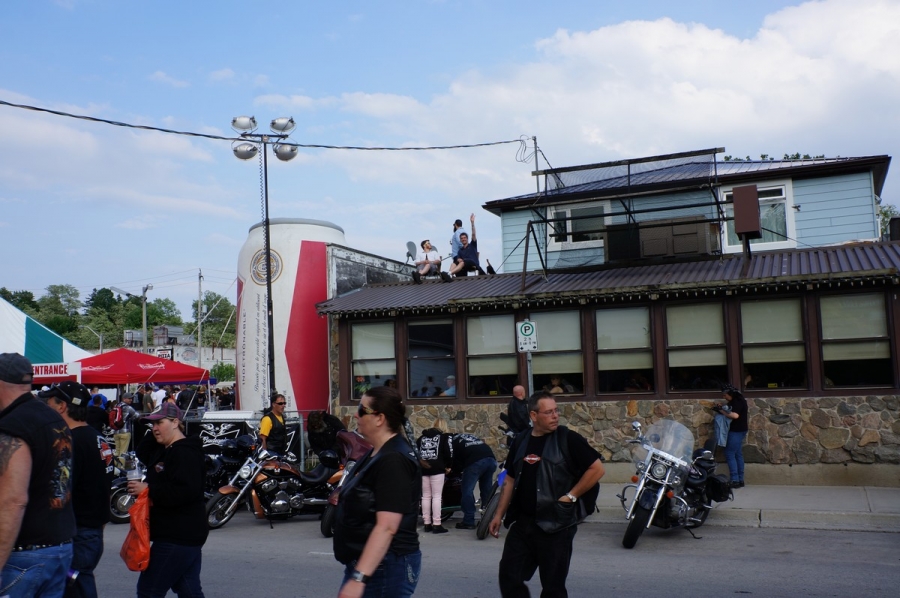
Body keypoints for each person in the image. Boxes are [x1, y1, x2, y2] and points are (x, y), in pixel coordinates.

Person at [489, 391, 605, 598]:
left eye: (556, 411)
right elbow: (509, 479)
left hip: (556, 524)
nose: (555, 416)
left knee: (553, 587)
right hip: (523, 522)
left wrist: (570, 496)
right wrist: (498, 514)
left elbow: (597, 469)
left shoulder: (568, 438)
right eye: (549, 412)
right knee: (509, 576)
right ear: (533, 416)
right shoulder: (521, 440)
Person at [0, 353, 76, 597]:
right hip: (59, 547)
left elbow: (13, 500)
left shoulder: (14, 425)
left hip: (24, 554)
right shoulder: (52, 417)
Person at [333, 386, 421, 598]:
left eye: (361, 410)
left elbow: (387, 527)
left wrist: (359, 578)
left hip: (384, 567)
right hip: (372, 564)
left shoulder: (393, 460)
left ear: (380, 418)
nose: (356, 415)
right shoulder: (377, 452)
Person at [39, 382, 114, 598]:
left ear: (62, 406)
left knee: (77, 588)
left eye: (50, 402)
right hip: (91, 531)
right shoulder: (96, 437)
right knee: (77, 586)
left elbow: (60, 491)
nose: (47, 407)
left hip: (77, 533)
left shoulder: (71, 441)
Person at [129, 402, 208, 597]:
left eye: (160, 423)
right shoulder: (165, 449)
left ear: (175, 422)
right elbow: (142, 452)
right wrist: (152, 426)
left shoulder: (184, 452)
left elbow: (185, 491)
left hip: (178, 535)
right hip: (181, 534)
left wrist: (148, 489)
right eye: (152, 424)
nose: (155, 428)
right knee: (188, 590)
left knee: (149, 591)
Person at [449, 432, 497, 530]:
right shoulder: (467, 437)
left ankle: (468, 521)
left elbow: (455, 461)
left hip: (475, 462)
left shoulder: (451, 443)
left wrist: (453, 472)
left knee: (467, 490)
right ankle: (487, 519)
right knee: (486, 491)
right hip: (491, 459)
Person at [416, 418, 451, 534]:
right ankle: (437, 524)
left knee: (425, 496)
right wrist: (448, 466)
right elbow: (448, 453)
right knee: (436, 496)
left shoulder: (421, 438)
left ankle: (427, 523)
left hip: (423, 469)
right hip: (438, 469)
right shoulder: (443, 437)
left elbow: (416, 452)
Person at [719, 383, 749, 488]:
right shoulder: (739, 400)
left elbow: (735, 415)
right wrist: (722, 407)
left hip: (736, 430)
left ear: (730, 393)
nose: (724, 397)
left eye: (725, 395)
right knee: (737, 454)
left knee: (729, 453)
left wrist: (721, 411)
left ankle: (735, 480)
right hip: (740, 430)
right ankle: (740, 479)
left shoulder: (737, 401)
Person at [446, 213, 486, 280]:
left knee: (462, 263)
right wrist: (458, 259)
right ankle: (449, 276)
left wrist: (472, 223)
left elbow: (473, 234)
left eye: (464, 238)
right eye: (462, 238)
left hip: (473, 263)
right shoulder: (460, 250)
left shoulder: (472, 245)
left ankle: (450, 273)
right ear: (460, 240)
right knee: (454, 263)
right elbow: (458, 259)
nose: (463, 239)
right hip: (465, 264)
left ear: (467, 238)